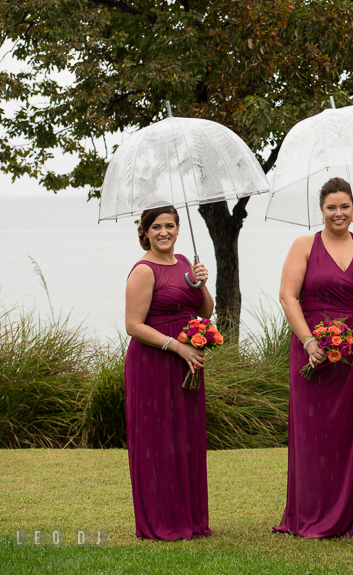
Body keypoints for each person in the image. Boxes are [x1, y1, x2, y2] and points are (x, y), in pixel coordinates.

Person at [273, 177, 353, 538]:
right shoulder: (304, 244)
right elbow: (288, 297)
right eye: (331, 207)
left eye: (345, 206)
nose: (338, 213)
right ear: (321, 209)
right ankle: (311, 512)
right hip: (312, 346)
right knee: (314, 428)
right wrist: (309, 341)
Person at [124, 205, 214, 540]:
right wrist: (176, 346)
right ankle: (160, 521)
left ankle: (189, 518)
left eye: (170, 226)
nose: (164, 232)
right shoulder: (143, 271)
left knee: (186, 438)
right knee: (158, 441)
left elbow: (204, 311)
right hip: (153, 363)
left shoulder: (185, 264)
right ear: (145, 232)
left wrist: (202, 285)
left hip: (187, 362)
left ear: (179, 229)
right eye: (157, 227)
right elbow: (133, 325)